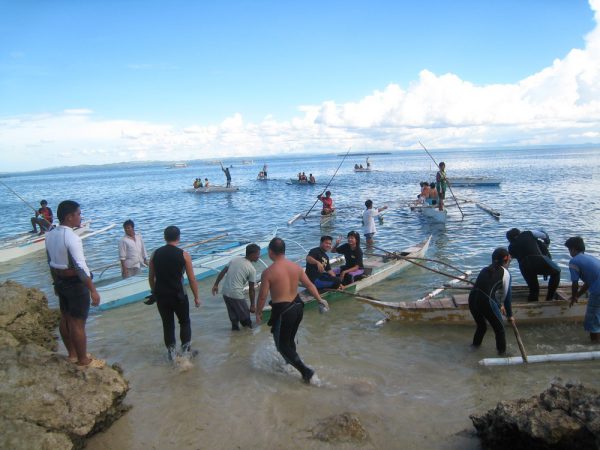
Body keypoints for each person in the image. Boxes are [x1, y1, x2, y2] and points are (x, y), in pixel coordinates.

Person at [256, 237, 329, 383]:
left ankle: (305, 371)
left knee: (281, 345)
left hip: (284, 311)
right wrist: (319, 300)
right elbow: (310, 285)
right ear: (284, 251)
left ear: (270, 252)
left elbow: (263, 296)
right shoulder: (296, 267)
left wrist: (258, 312)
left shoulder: (268, 272)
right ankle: (290, 363)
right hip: (298, 307)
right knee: (289, 340)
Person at [45, 200, 104, 368]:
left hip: (60, 280)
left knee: (65, 318)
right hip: (75, 283)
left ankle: (72, 354)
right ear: (69, 217)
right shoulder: (72, 237)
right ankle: (83, 360)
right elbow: (80, 267)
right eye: (78, 214)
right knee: (77, 323)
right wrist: (93, 290)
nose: (80, 217)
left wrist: (55, 283)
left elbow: (50, 262)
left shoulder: (50, 235)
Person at [148, 225, 201, 360]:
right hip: (179, 295)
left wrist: (155, 292)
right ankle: (186, 351)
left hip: (162, 296)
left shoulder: (155, 254)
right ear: (178, 237)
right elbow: (192, 279)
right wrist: (196, 297)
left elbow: (151, 278)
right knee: (184, 322)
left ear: (164, 237)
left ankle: (171, 354)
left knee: (168, 325)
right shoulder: (184, 255)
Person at [468, 247, 514, 355]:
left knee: (482, 326)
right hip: (485, 301)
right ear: (506, 258)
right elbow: (507, 297)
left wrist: (498, 305)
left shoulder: (485, 269)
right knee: (500, 329)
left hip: (473, 299)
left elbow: (486, 290)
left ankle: (474, 348)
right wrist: (510, 315)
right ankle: (502, 354)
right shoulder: (506, 274)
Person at [212, 244, 260, 330]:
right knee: (246, 320)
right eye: (257, 254)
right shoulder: (252, 269)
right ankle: (249, 335)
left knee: (234, 319)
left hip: (225, 293)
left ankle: (235, 334)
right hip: (236, 294)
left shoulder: (234, 259)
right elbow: (251, 289)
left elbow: (223, 272)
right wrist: (252, 305)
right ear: (252, 254)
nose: (258, 257)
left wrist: (216, 285)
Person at [506, 228, 561, 301]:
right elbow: (544, 235)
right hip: (538, 260)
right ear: (519, 233)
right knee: (557, 272)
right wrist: (546, 242)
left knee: (534, 289)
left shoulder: (510, 247)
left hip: (524, 266)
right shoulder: (528, 233)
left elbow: (510, 259)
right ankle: (549, 298)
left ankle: (533, 303)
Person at [564, 237, 600, 342]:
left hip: (598, 291)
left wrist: (573, 297)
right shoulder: (591, 258)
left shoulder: (574, 261)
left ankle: (594, 346)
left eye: (569, 249)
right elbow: (588, 283)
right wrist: (577, 296)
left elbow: (575, 282)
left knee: (593, 321)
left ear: (573, 249)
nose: (570, 252)